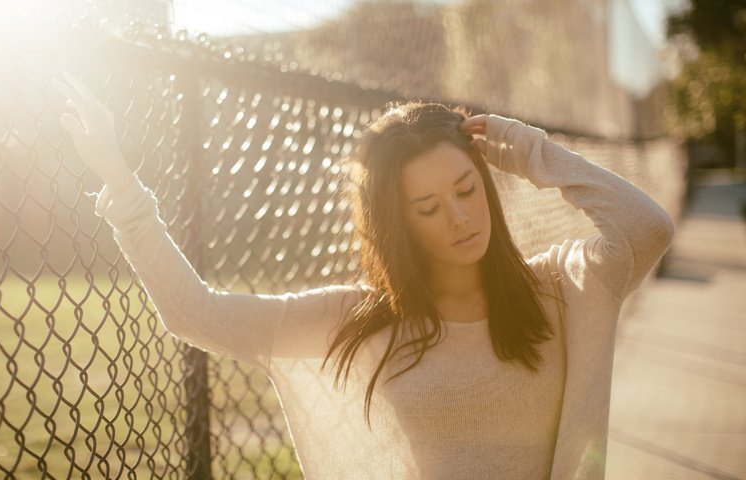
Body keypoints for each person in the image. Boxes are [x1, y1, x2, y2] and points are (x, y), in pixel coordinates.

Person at [51, 71, 674, 479]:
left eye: (466, 189)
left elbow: (646, 228)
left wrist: (534, 153)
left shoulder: (562, 289)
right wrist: (120, 183)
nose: (459, 218)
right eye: (427, 209)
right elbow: (198, 314)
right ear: (398, 226)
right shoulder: (360, 319)